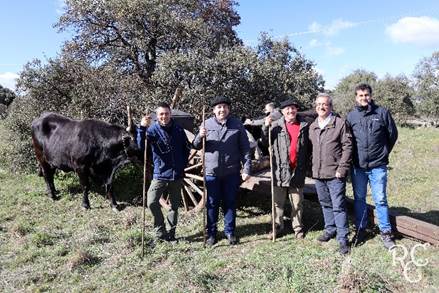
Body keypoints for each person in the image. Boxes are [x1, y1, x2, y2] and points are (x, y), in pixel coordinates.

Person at [193, 96, 251, 246]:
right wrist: (200, 135)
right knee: (212, 204)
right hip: (211, 172)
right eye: (218, 107)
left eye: (224, 107)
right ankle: (211, 234)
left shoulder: (237, 125)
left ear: (228, 109)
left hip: (231, 172)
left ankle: (230, 232)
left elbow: (245, 149)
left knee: (230, 202)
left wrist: (246, 168)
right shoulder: (206, 124)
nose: (221, 109)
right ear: (214, 110)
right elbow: (195, 145)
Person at [347, 83, 398, 250]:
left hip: (378, 166)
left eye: (366, 95)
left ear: (371, 95)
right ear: (356, 97)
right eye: (361, 95)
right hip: (358, 167)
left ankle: (385, 232)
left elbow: (392, 135)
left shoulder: (382, 113)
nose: (364, 98)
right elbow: (348, 141)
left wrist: (383, 153)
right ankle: (361, 229)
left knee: (380, 199)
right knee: (359, 198)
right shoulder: (352, 116)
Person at [136, 102, 191, 241]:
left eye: (166, 113)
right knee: (152, 202)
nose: (164, 116)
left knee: (174, 207)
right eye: (161, 114)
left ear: (170, 114)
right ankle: (160, 231)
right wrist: (142, 128)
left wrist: (182, 164)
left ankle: (171, 235)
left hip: (177, 174)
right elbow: (141, 146)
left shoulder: (179, 129)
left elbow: (186, 149)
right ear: (157, 116)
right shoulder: (152, 130)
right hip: (160, 173)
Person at [308, 93, 352, 255]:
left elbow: (348, 147)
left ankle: (343, 238)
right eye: (319, 104)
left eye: (325, 104)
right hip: (319, 174)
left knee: (339, 206)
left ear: (331, 107)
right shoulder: (313, 126)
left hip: (335, 174)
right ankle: (330, 230)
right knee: (325, 204)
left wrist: (342, 168)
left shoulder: (339, 124)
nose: (321, 107)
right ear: (315, 106)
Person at [262, 97, 311, 239]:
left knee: (297, 202)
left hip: (297, 171)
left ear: (296, 110)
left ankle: (298, 228)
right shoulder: (275, 126)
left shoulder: (304, 126)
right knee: (278, 203)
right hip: (280, 171)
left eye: (293, 108)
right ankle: (277, 227)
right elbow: (265, 142)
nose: (291, 111)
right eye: (287, 109)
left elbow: (309, 147)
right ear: (282, 111)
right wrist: (265, 126)